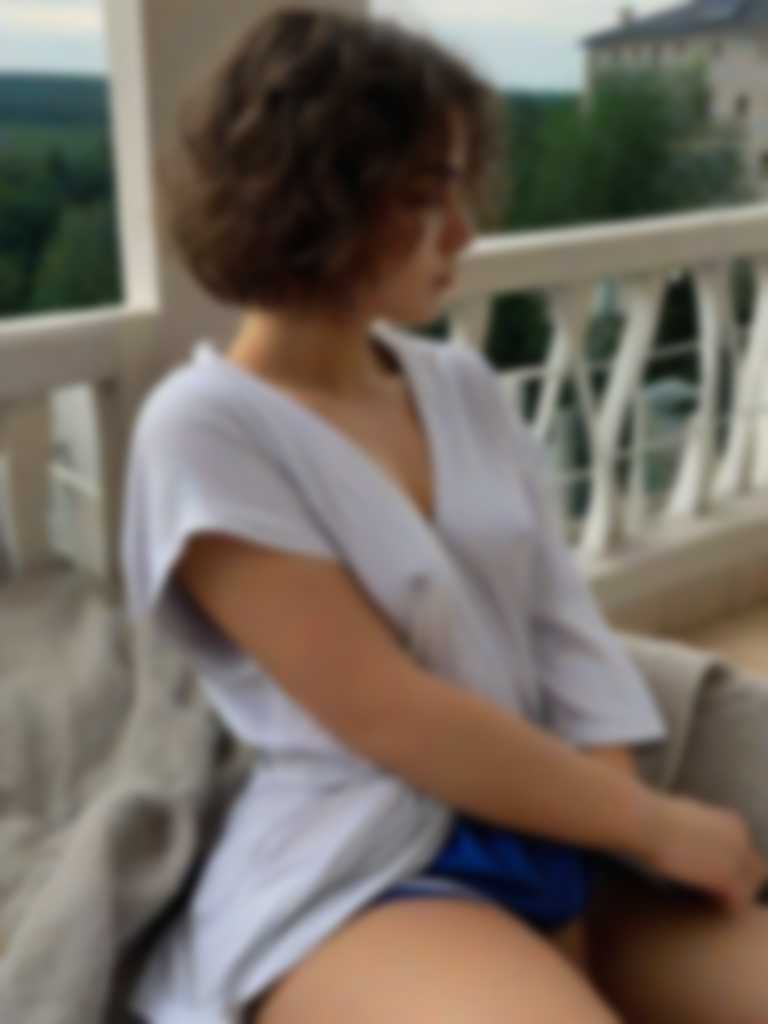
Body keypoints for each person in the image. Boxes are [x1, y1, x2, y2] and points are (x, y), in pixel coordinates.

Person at [121, 7, 768, 1023]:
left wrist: (598, 849)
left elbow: (565, 634)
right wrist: (653, 826)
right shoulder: (206, 429)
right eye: (425, 197)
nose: (464, 232)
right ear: (312, 195)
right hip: (364, 866)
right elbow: (388, 713)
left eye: (461, 190)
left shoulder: (461, 387)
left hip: (554, 820)